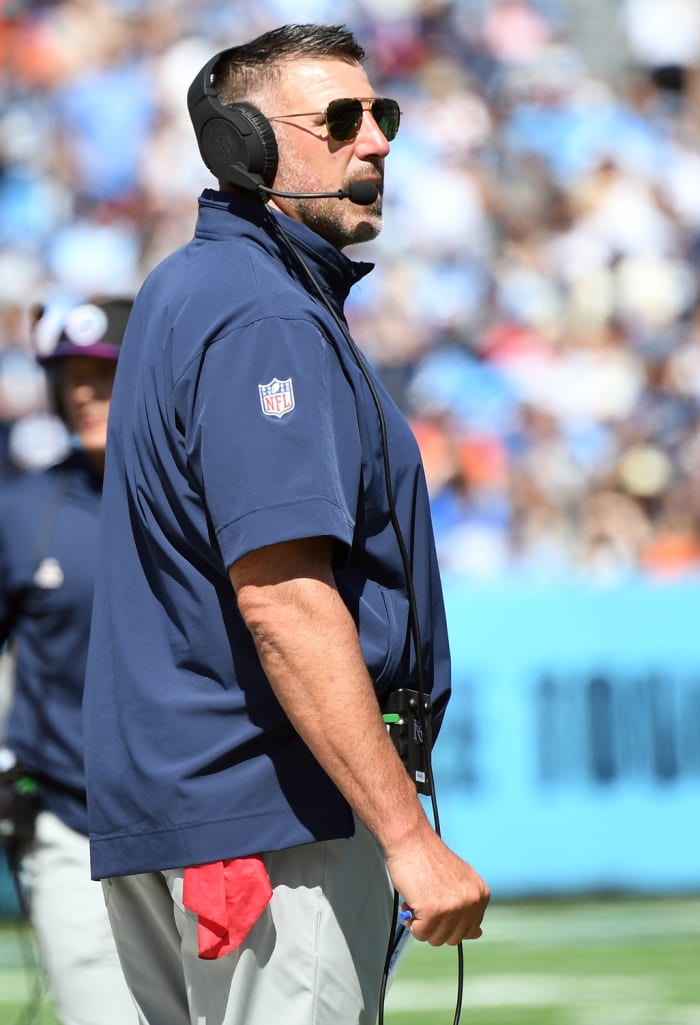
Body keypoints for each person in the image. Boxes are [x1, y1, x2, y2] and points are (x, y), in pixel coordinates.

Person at [82, 22, 490, 1025]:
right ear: (243, 148)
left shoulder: (189, 287)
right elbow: (283, 601)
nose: (378, 140)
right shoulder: (260, 312)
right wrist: (405, 833)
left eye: (381, 114)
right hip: (268, 808)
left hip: (195, 801)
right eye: (341, 120)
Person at [0, 296, 137, 1024]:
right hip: (68, 828)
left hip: (200, 826)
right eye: (68, 376)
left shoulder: (212, 494)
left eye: (103, 373)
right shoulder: (21, 510)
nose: (83, 391)